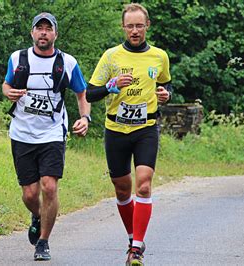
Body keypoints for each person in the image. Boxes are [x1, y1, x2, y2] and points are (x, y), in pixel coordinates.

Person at [86, 3, 171, 266]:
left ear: (148, 26)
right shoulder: (111, 56)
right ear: (123, 27)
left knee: (143, 183)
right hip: (116, 129)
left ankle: (136, 250)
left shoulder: (159, 56)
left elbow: (165, 84)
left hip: (146, 128)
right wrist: (111, 86)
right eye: (130, 26)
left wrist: (166, 95)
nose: (135, 31)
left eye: (139, 25)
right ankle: (134, 237)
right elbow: (90, 93)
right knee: (123, 190)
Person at [2, 12, 91, 261]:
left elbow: (82, 94)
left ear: (55, 34)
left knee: (49, 187)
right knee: (30, 194)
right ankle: (38, 215)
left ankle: (43, 241)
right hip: (22, 133)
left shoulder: (68, 63)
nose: (43, 33)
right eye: (39, 28)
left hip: (52, 133)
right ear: (32, 33)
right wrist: (9, 93)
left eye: (48, 29)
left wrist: (84, 118)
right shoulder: (17, 58)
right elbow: (6, 85)